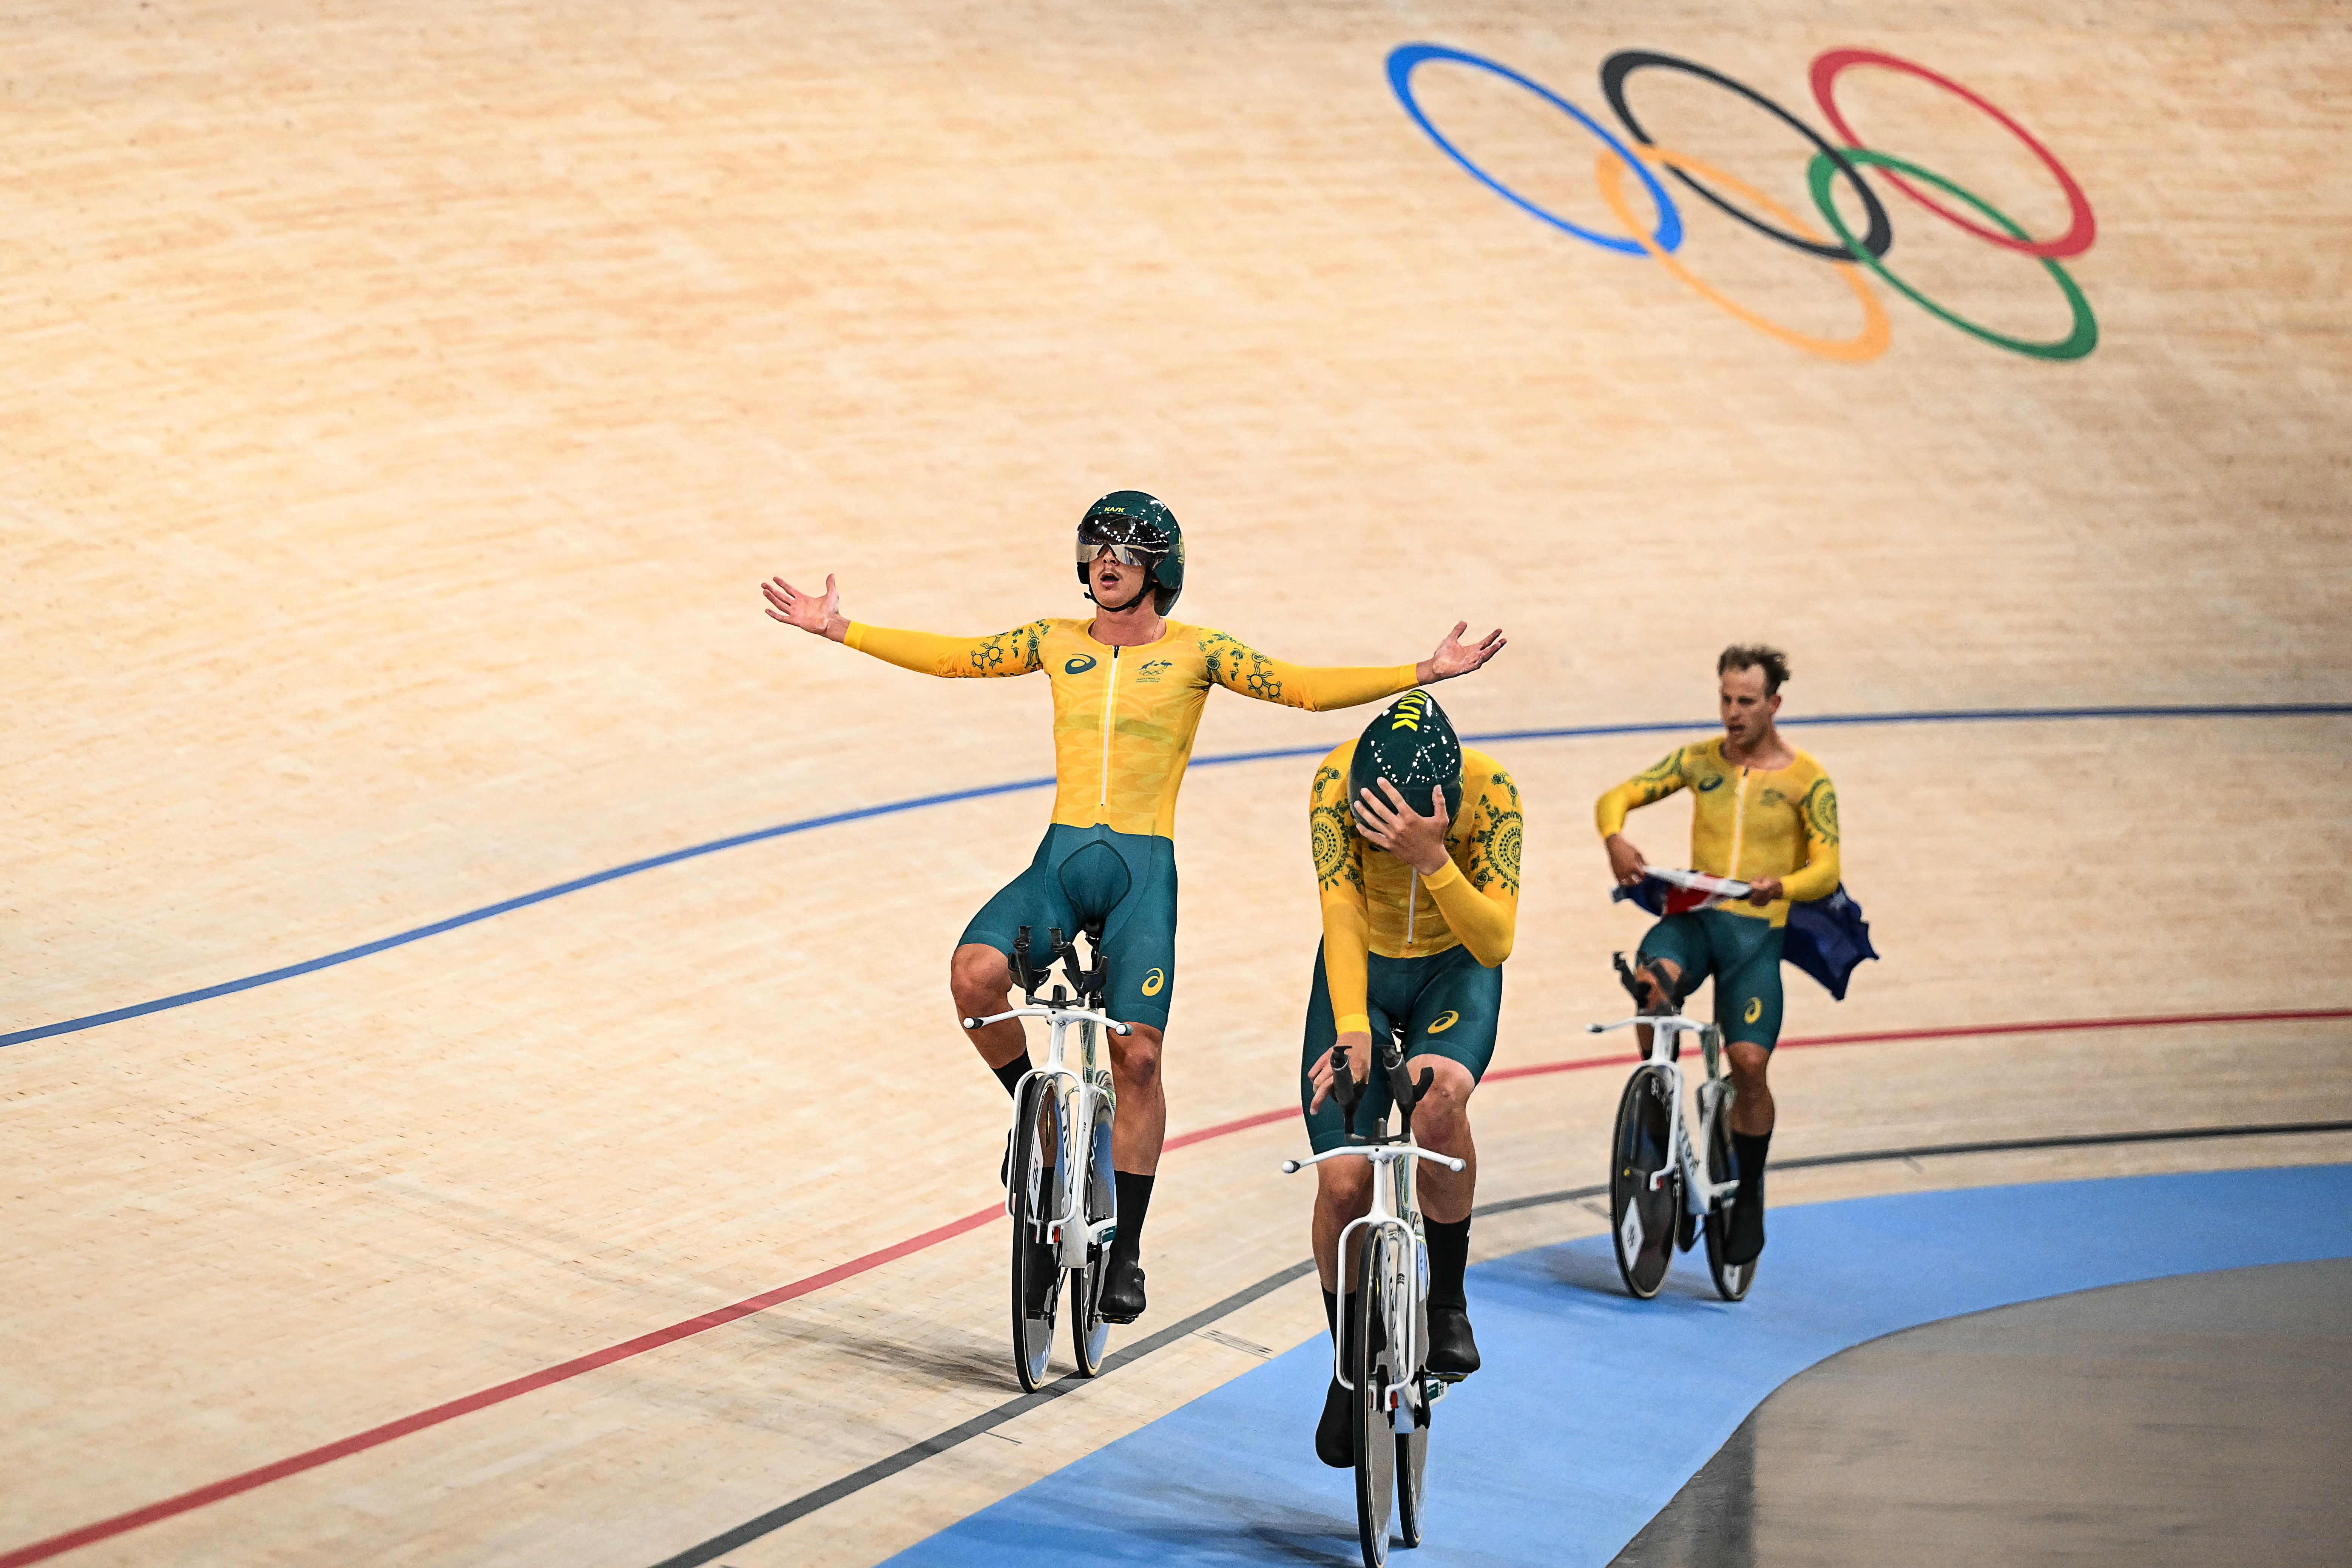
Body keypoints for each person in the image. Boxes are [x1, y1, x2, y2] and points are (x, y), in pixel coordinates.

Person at [764, 492, 1505, 1323]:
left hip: (1142, 878)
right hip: (1061, 865)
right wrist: (840, 629)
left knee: (1140, 1061)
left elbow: (1300, 688)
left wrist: (1422, 672)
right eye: (1095, 548)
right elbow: (955, 658)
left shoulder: (1200, 654)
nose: (1105, 561)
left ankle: (1128, 1252)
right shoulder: (1053, 641)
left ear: (1162, 569)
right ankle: (1031, 1116)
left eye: (1126, 549)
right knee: (973, 977)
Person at [1301, 689, 1519, 1466]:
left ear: (1443, 800)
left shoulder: (1492, 796)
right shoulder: (1332, 785)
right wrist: (1353, 1028)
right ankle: (1345, 1366)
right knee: (1343, 1185)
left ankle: (1449, 1300)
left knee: (1437, 1104)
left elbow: (1494, 941)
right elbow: (1342, 912)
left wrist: (1434, 859)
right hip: (1362, 973)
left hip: (1453, 970)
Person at [1594, 644, 1839, 1268]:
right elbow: (1615, 797)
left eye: (1746, 701)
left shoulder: (1806, 781)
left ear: (1774, 704)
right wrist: (1616, 839)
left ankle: (1749, 1188)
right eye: (1726, 699)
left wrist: (1780, 885)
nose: (1732, 713)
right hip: (1698, 921)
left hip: (1755, 939)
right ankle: (1657, 1127)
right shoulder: (1699, 761)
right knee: (1651, 983)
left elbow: (1828, 869)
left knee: (1749, 1066)